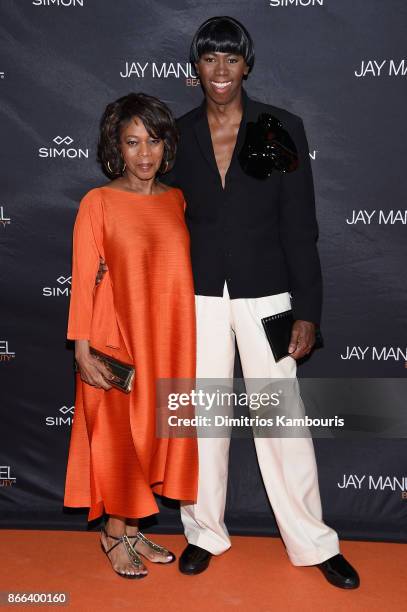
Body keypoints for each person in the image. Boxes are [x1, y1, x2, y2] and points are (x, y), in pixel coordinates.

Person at [97, 17, 359, 589]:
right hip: (197, 297)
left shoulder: (278, 128)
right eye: (210, 58)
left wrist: (308, 309)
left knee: (282, 420)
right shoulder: (178, 134)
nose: (220, 70)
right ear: (196, 67)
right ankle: (203, 532)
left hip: (269, 295)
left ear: (247, 65)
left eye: (231, 59)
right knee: (203, 422)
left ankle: (313, 543)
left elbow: (300, 228)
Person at [64, 92, 198, 579]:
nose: (145, 154)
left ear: (167, 145)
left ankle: (134, 526)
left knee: (154, 437)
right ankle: (113, 534)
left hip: (170, 341)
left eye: (154, 141)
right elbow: (82, 280)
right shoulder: (97, 203)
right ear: (115, 147)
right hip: (115, 339)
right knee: (123, 438)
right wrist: (81, 348)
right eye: (133, 142)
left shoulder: (176, 200)